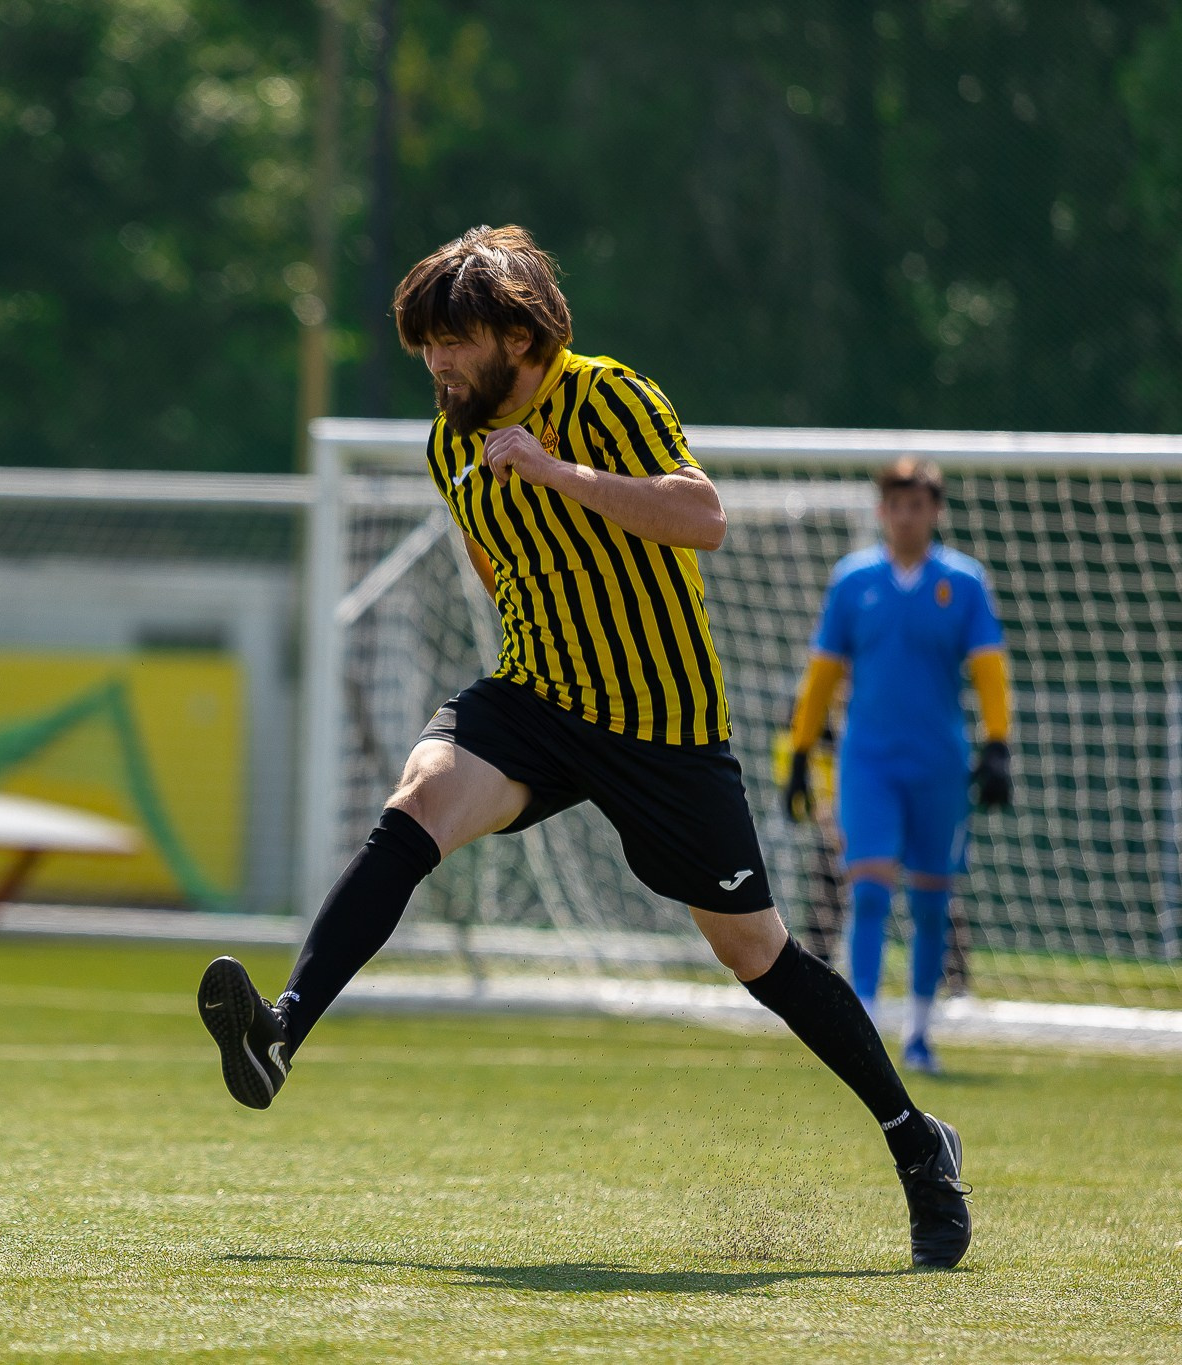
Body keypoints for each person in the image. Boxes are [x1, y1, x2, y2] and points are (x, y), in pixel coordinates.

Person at [197, 225, 972, 1268]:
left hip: (660, 725)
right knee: (419, 799)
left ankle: (914, 1142)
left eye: (451, 340)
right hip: (536, 698)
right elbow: (497, 565)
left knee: (754, 953)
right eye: (421, 341)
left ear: (517, 335)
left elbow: (701, 518)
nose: (432, 361)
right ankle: (279, 1031)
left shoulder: (604, 394)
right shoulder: (445, 444)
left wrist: (555, 470)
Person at [782, 459, 1012, 1076]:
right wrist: (801, 752)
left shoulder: (963, 583)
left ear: (935, 512)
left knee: (934, 899)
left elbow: (989, 665)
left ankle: (918, 1033)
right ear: (882, 511)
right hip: (868, 763)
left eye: (918, 505)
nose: (906, 516)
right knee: (871, 885)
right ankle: (865, 1033)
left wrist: (998, 744)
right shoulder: (852, 581)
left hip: (939, 763)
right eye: (896, 505)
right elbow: (823, 671)